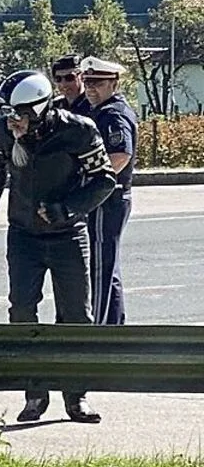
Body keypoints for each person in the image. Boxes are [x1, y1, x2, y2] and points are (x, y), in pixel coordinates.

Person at [0, 69, 117, 424]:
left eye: (18, 114)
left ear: (39, 108)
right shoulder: (5, 132)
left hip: (68, 233)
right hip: (23, 234)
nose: (12, 121)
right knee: (22, 311)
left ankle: (76, 395)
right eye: (7, 114)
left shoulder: (78, 130)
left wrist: (67, 207)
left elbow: (104, 180)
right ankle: (34, 393)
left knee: (76, 315)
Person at [80, 56, 137, 328]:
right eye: (87, 81)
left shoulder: (113, 113)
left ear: (114, 83)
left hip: (108, 197)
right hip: (102, 197)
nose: (91, 88)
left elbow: (120, 155)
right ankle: (113, 327)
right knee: (105, 267)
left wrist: (93, 181)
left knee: (101, 268)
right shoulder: (97, 109)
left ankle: (100, 330)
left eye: (98, 83)